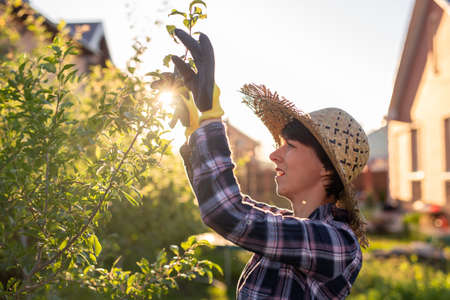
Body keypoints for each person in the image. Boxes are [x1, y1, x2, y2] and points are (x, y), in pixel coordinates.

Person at [157, 28, 370, 299]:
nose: (274, 155)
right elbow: (223, 202)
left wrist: (211, 117)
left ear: (326, 168)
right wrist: (195, 131)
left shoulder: (339, 243)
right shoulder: (290, 224)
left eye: (290, 146)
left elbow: (227, 212)